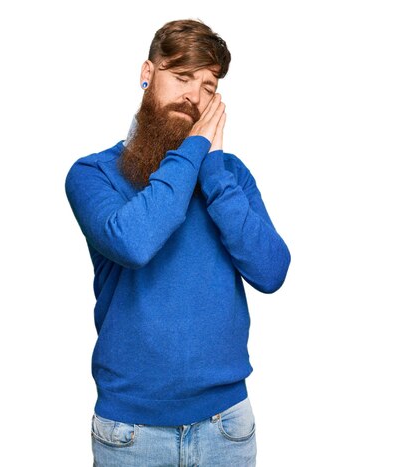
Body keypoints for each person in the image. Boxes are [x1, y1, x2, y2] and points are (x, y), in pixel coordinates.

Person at [65, 18, 290, 466]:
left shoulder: (228, 176)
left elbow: (271, 271)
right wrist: (196, 148)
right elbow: (135, 241)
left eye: (209, 86)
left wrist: (214, 168)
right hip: (130, 434)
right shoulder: (92, 174)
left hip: (227, 427)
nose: (194, 96)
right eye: (182, 77)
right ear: (147, 72)